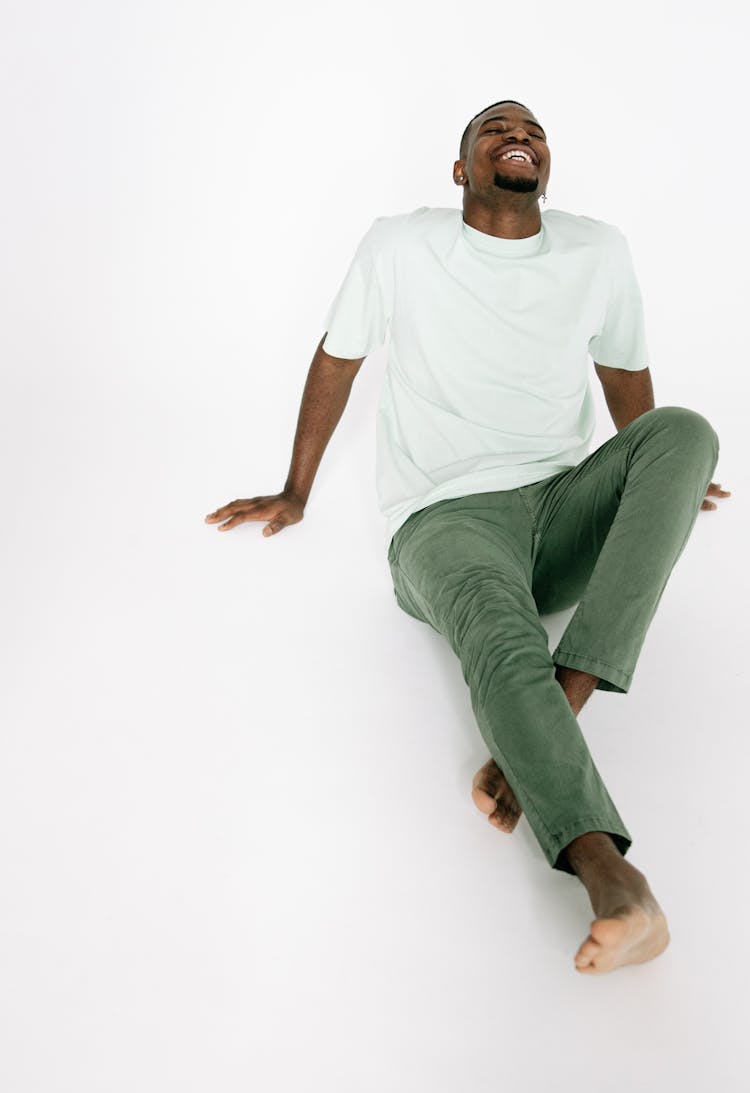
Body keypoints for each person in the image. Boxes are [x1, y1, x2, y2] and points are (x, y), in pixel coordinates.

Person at [205, 100, 731, 974]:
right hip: (444, 519)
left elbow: (625, 370)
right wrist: (297, 489)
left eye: (530, 128)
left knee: (686, 430)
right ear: (461, 170)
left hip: (560, 505)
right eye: (492, 128)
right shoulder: (401, 246)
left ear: (545, 165)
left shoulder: (596, 250)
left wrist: (658, 481)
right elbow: (338, 358)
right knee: (498, 637)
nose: (515, 133)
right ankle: (613, 879)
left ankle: (550, 712)